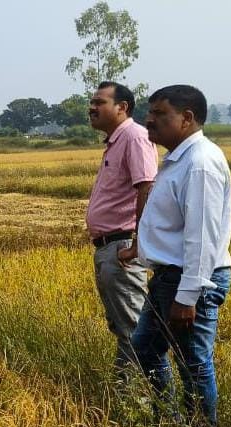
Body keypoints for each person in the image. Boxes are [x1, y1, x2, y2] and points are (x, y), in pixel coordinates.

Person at [123, 85, 231, 427]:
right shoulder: (178, 160)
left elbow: (201, 237)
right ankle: (171, 421)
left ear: (186, 118)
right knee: (145, 348)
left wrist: (187, 297)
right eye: (150, 112)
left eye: (159, 114)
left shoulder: (200, 164)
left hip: (189, 278)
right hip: (171, 276)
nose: (148, 120)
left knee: (193, 363)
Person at [85, 81, 159, 375]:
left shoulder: (134, 137)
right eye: (92, 102)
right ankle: (128, 390)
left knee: (133, 329)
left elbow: (147, 188)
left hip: (122, 247)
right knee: (124, 327)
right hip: (110, 247)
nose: (92, 107)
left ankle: (139, 395)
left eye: (99, 102)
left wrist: (138, 244)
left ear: (122, 107)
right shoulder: (116, 141)